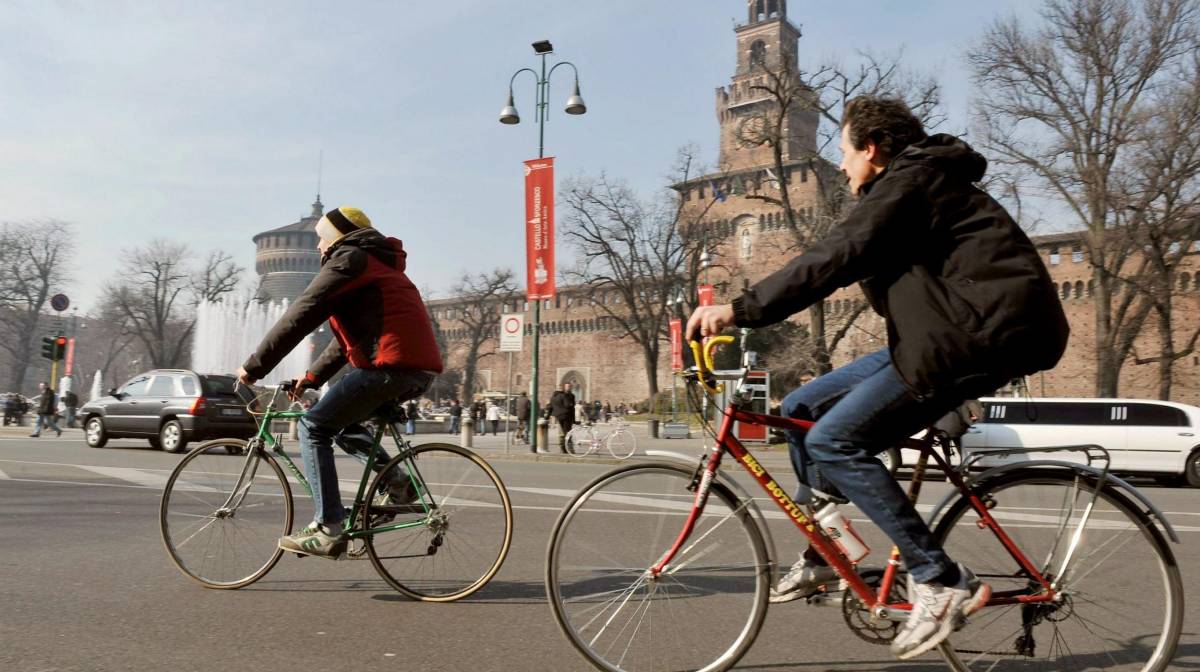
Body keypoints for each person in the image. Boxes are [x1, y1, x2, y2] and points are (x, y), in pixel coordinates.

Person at [686, 96, 1069, 660]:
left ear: (871, 148)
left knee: (833, 440)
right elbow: (842, 254)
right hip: (939, 334)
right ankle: (826, 552)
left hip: (975, 337)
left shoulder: (913, 182)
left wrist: (741, 309)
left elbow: (836, 254)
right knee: (803, 408)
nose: (840, 166)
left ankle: (939, 581)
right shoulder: (903, 190)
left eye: (844, 152)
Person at [236, 205, 442, 559]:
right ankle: (398, 484)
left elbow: (304, 311)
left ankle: (328, 527)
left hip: (389, 367)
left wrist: (253, 368)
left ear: (335, 238)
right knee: (340, 424)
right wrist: (311, 377)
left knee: (312, 426)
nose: (317, 247)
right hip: (414, 370)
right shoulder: (375, 264)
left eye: (320, 239)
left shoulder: (349, 259)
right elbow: (348, 342)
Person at [548, 383, 576, 453]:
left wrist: (547, 416)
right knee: (568, 433)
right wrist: (571, 404)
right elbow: (568, 405)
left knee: (561, 433)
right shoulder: (565, 395)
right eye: (568, 386)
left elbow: (550, 407)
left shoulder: (553, 396)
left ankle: (562, 447)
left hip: (558, 416)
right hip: (566, 416)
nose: (569, 388)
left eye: (570, 386)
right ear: (563, 388)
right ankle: (568, 448)